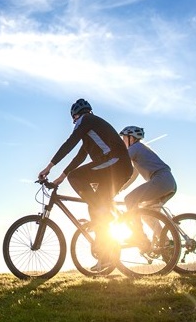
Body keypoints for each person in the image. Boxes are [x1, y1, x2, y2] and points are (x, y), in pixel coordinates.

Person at [38, 99, 133, 271]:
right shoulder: (91, 130)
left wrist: (49, 167)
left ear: (75, 116)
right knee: (95, 210)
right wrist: (60, 178)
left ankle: (104, 211)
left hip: (115, 162)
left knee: (79, 180)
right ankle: (106, 257)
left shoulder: (85, 120)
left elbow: (70, 143)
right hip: (119, 167)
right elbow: (80, 156)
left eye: (74, 119)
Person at [119, 126, 177, 212]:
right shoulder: (140, 149)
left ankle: (136, 226)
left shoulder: (135, 147)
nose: (123, 141)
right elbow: (133, 176)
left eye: (124, 138)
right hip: (169, 182)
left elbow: (120, 162)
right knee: (148, 215)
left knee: (130, 199)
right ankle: (170, 225)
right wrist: (121, 188)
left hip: (160, 180)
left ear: (131, 138)